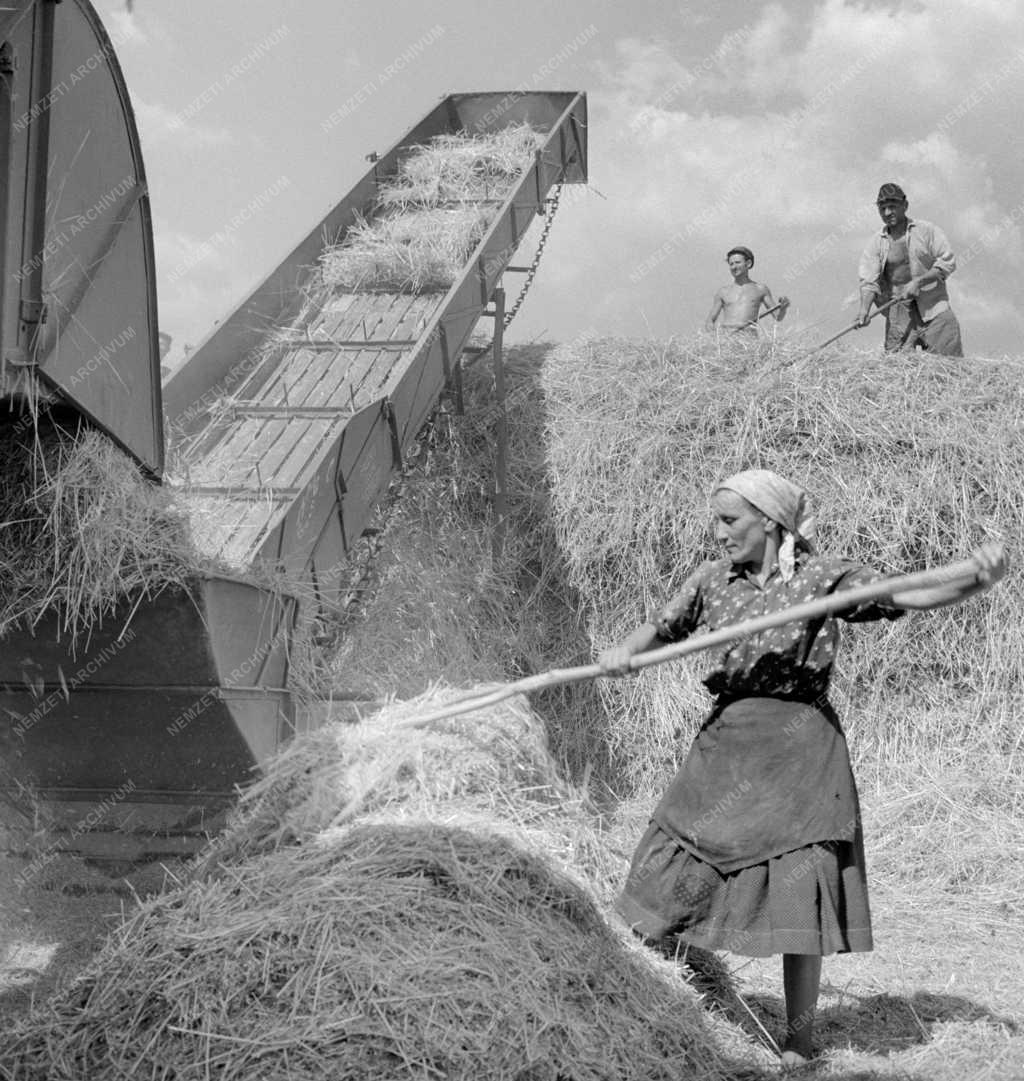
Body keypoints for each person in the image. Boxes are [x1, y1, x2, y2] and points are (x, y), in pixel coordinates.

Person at [598, 468, 1004, 1070]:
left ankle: (799, 1041)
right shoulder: (712, 580)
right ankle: (634, 992)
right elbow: (661, 629)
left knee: (798, 892)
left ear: (769, 521)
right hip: (729, 742)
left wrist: (975, 580)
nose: (719, 533)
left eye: (729, 520)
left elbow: (906, 594)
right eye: (717, 521)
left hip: (801, 752)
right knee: (666, 865)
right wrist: (626, 653)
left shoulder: (823, 577)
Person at [855, 183, 963, 356]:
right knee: (897, 367)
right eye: (882, 208)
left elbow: (947, 262)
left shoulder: (927, 231)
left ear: (905, 206)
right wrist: (864, 311)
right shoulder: (876, 243)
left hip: (934, 307)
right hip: (899, 313)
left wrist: (919, 282)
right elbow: (869, 282)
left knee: (950, 365)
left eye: (892, 206)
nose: (887, 213)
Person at [704, 247, 789, 335]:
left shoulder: (760, 289)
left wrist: (783, 307)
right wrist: (715, 335)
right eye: (731, 264)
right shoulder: (723, 292)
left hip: (749, 339)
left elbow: (778, 316)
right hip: (727, 338)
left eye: (737, 262)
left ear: (748, 263)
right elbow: (709, 321)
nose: (734, 267)